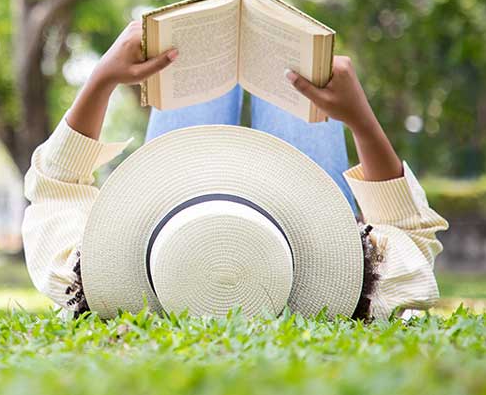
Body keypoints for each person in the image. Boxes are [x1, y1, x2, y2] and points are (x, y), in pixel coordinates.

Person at [22, 20, 448, 320]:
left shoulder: (85, 286)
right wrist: (360, 118)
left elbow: (55, 187)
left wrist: (101, 79)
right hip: (291, 224)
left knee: (189, 58)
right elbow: (412, 234)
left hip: (184, 208)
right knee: (295, 73)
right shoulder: (365, 292)